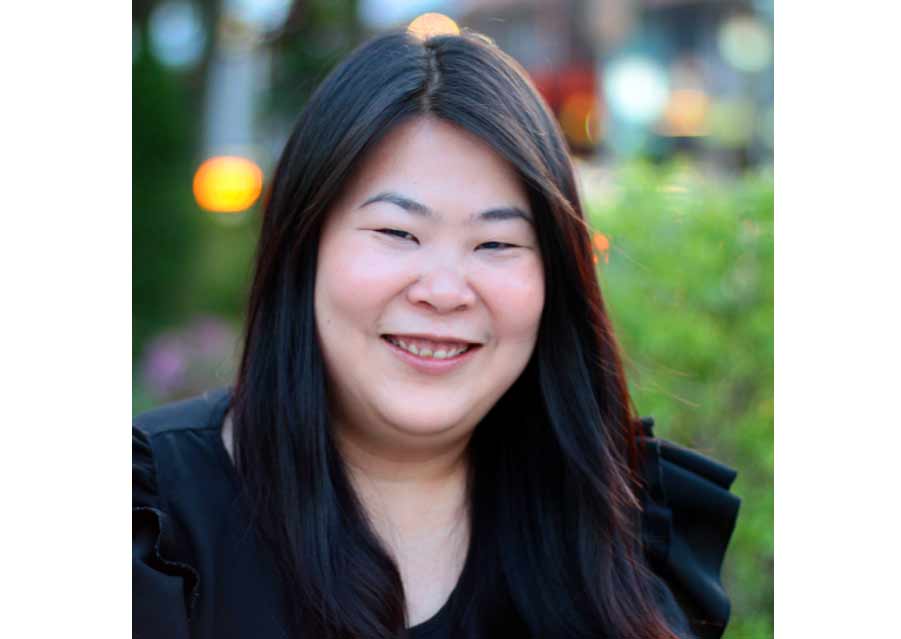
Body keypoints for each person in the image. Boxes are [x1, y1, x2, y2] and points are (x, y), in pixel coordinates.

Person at [133, 30, 740, 639]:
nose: (445, 291)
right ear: (303, 245)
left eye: (495, 243)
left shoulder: (625, 527)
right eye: (398, 233)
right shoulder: (151, 526)